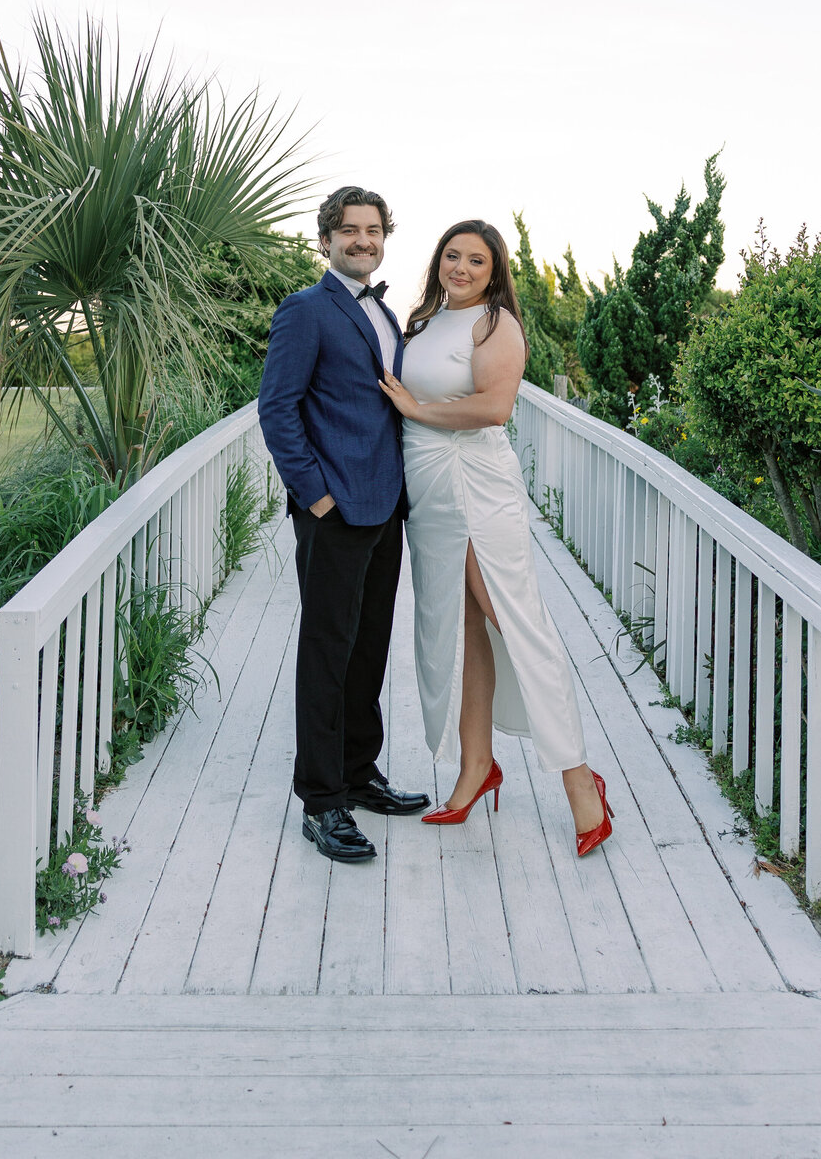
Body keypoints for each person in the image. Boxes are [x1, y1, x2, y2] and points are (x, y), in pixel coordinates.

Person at [378, 219, 613, 857]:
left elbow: (494, 407)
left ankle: (579, 781)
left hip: (476, 482)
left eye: (475, 261)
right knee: (463, 626)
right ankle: (475, 766)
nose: (460, 268)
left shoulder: (495, 324)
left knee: (513, 620)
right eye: (451, 256)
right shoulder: (423, 318)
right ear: (438, 262)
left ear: (494, 270)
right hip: (428, 487)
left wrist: (418, 412)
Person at [258, 187, 430, 864]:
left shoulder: (383, 311)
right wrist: (317, 497)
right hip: (336, 510)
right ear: (325, 239)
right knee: (328, 654)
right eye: (349, 230)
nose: (363, 241)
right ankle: (322, 801)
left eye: (373, 230)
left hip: (386, 508)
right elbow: (278, 409)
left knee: (368, 649)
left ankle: (360, 774)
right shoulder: (306, 311)